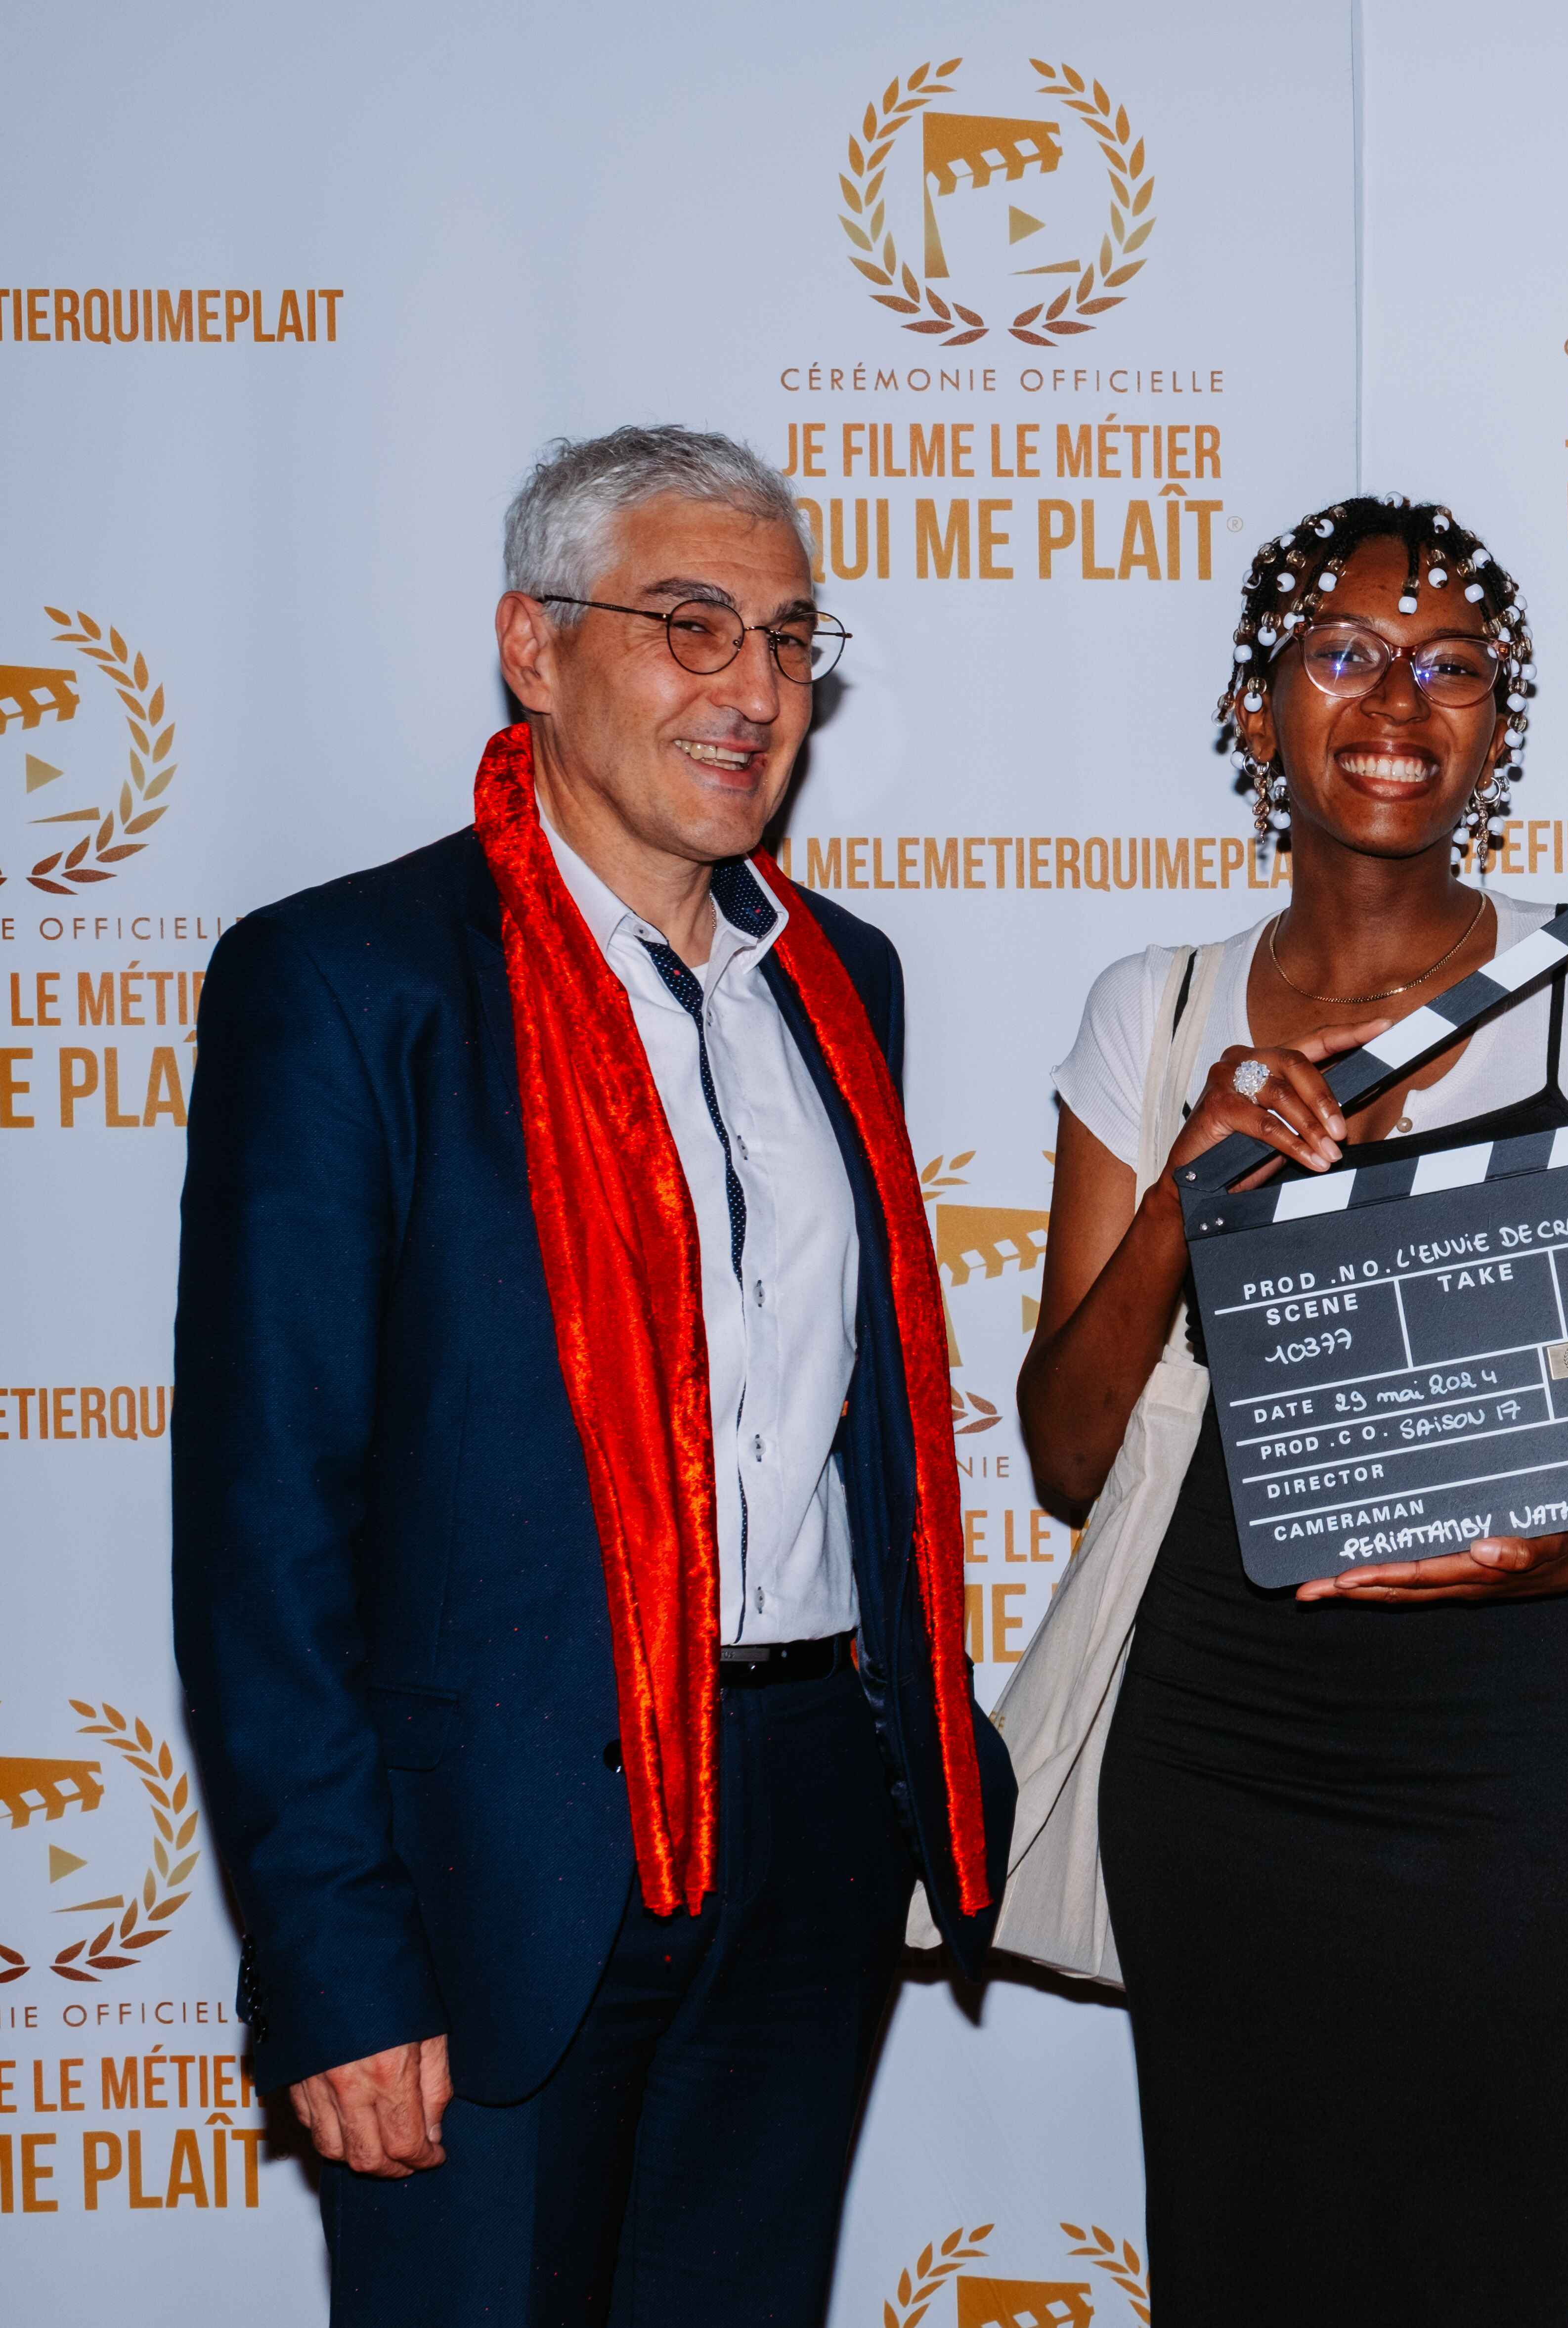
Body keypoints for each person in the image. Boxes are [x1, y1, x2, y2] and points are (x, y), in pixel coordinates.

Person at [172, 426, 1013, 2324]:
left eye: (789, 641)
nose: (754, 690)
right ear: (533, 649)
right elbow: (266, 1520)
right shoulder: (353, 980)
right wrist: (336, 1953)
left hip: (805, 1816)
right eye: (691, 625)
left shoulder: (843, 980)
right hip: (498, 1862)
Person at [1020, 495, 1568, 2323]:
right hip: (1221, 1741)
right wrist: (1190, 1190)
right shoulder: (1155, 1009)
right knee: (1237, 2270)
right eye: (1343, 653)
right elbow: (1067, 1452)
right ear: (1257, 707)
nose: (1397, 703)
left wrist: (1562, 1556)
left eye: (1451, 665)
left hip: (1508, 1745)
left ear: (1498, 722)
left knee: (1484, 2274)